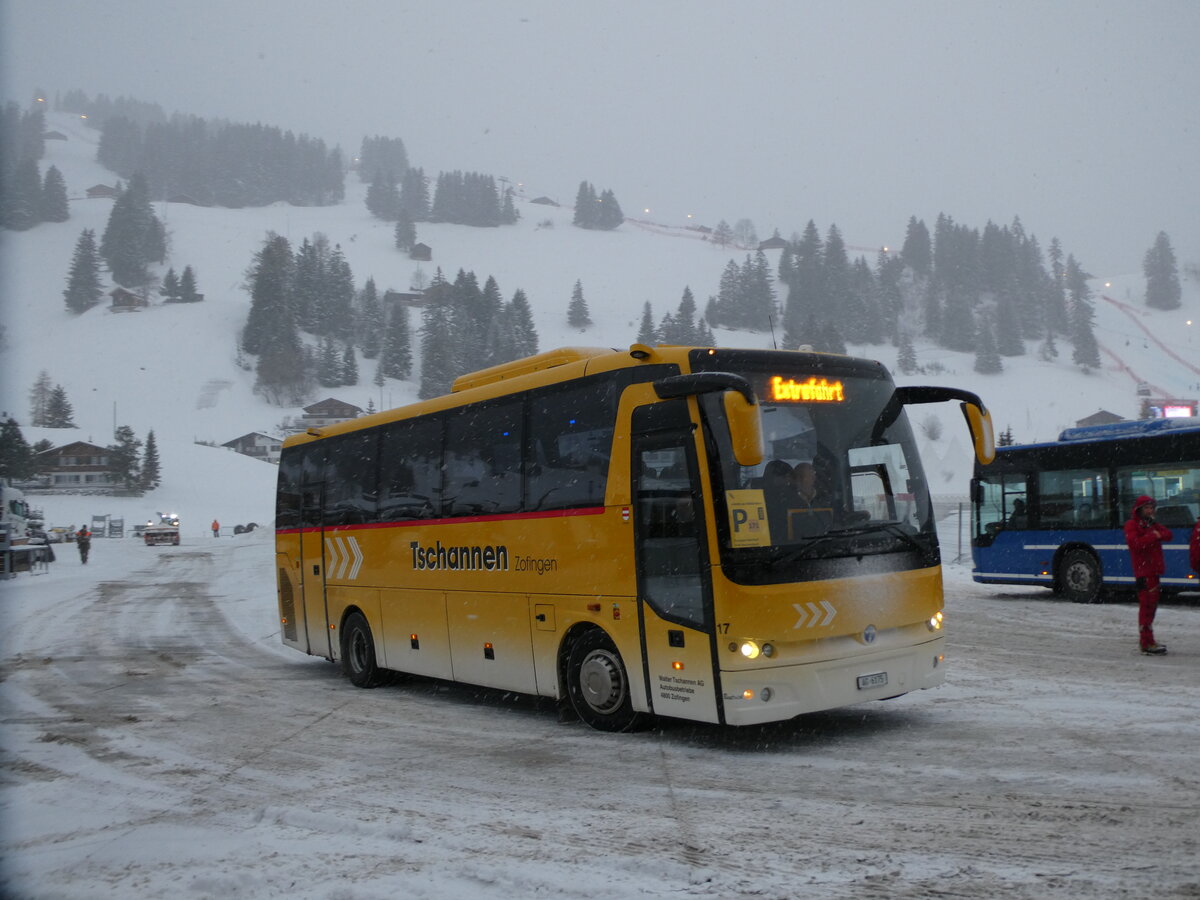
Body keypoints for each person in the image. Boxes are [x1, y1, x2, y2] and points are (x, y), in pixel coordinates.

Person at [1123, 495, 1172, 655]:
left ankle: (1149, 640)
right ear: (1139, 510)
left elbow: (1168, 535)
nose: (1150, 511)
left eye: (1151, 508)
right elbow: (1135, 544)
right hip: (1144, 572)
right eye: (1147, 508)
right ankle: (1146, 642)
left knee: (1152, 607)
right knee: (1146, 607)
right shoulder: (1132, 525)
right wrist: (1154, 535)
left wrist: (1154, 531)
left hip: (1154, 570)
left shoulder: (1151, 524)